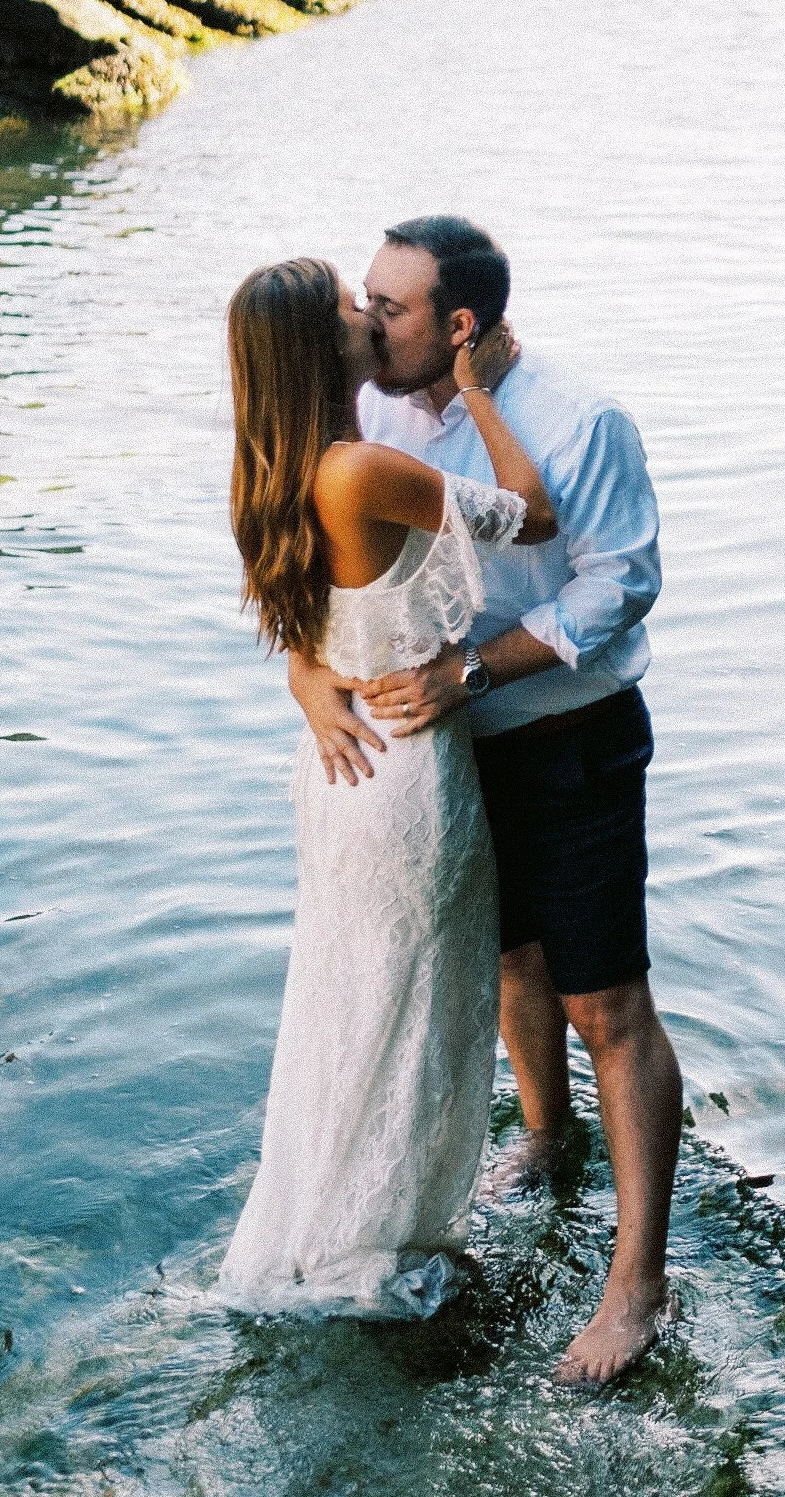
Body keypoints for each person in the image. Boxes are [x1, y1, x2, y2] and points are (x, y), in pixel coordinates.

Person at [290, 216, 683, 1385]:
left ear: (459, 324)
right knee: (513, 966)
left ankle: (636, 1286)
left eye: (389, 306)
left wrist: (473, 671)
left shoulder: (579, 417)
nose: (366, 319)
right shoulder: (369, 411)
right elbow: (293, 569)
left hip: (569, 742)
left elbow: (625, 583)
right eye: (363, 298)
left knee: (606, 1003)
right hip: (448, 768)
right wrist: (314, 680)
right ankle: (547, 1138)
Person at [217, 255, 556, 1318]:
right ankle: (381, 1237)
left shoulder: (272, 468)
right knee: (411, 1012)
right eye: (349, 310)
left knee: (351, 1000)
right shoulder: (361, 470)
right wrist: (480, 393)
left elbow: (311, 629)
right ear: (326, 348)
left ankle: (337, 1215)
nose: (369, 315)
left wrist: (304, 676)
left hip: (340, 765)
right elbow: (532, 514)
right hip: (405, 772)